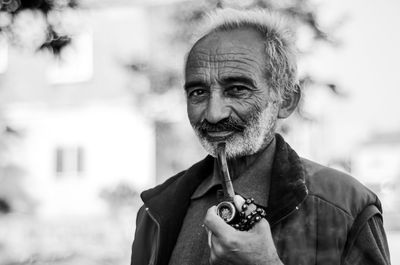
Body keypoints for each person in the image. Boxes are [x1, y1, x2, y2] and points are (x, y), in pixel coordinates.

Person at [131, 8, 391, 265]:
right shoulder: (156, 212)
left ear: (286, 101)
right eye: (198, 92)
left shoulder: (345, 206)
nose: (213, 114)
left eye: (237, 89)